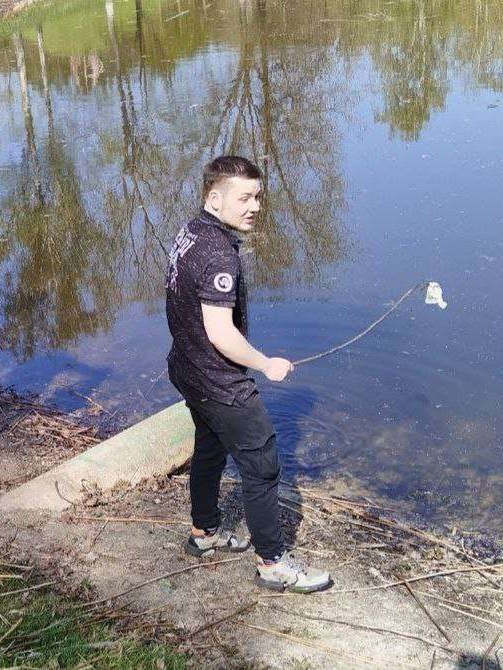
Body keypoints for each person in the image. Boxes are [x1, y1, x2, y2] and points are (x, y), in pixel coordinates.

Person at [165, 156, 331, 593]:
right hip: (219, 380)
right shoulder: (220, 253)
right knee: (263, 465)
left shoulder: (191, 231)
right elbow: (220, 333)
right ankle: (272, 563)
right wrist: (266, 363)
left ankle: (205, 533)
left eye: (258, 197)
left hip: (186, 368)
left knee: (209, 448)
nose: (255, 206)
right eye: (244, 198)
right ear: (214, 198)